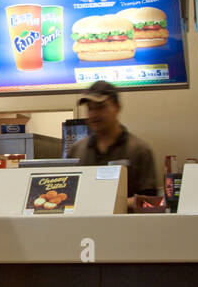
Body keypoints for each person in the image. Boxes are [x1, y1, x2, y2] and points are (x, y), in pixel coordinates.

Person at [67, 81, 159, 210]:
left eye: (100, 107)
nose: (94, 115)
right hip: (85, 228)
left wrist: (111, 204)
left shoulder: (139, 150)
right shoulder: (77, 151)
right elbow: (67, 197)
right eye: (90, 108)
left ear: (117, 107)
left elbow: (150, 203)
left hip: (126, 228)